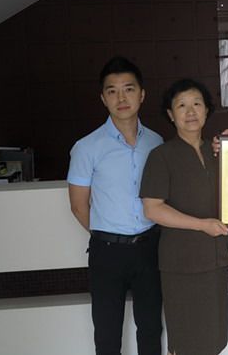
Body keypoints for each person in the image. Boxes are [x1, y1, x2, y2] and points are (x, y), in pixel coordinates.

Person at [67, 56, 163, 355]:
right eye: (112, 91)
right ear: (103, 98)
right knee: (107, 335)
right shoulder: (86, 147)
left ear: (142, 94)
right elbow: (78, 206)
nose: (121, 98)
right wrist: (110, 233)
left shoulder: (157, 143)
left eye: (129, 89)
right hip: (107, 253)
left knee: (151, 329)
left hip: (150, 248)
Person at [140, 78, 228, 355]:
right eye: (181, 106)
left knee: (214, 339)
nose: (190, 112)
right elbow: (152, 209)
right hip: (181, 264)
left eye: (196, 104)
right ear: (171, 114)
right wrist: (201, 225)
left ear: (206, 110)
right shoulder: (161, 156)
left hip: (215, 260)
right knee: (186, 341)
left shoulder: (218, 152)